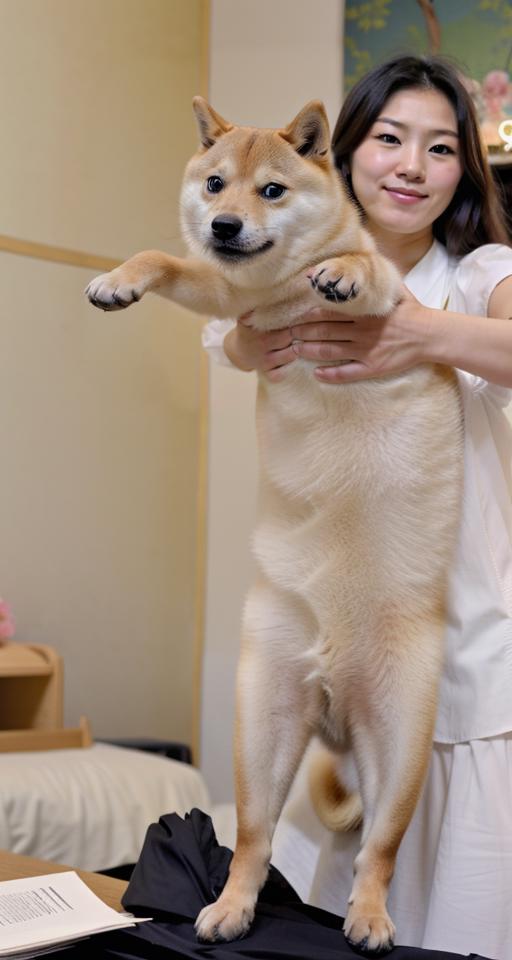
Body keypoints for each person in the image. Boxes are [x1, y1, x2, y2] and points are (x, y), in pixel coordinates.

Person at [202, 56, 512, 960]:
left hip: (466, 650)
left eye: (441, 147)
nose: (411, 164)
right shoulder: (293, 264)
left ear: (464, 169)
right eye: (388, 138)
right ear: (342, 154)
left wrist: (418, 332)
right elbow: (232, 332)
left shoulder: (481, 271)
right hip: (333, 644)